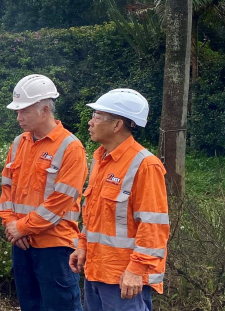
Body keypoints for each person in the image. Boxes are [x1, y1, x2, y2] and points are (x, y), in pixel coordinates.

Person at [70, 89, 169, 311]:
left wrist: (136, 270)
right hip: (96, 271)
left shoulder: (145, 165)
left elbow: (154, 226)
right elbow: (94, 214)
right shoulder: (100, 159)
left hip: (124, 280)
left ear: (117, 125)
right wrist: (83, 245)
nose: (90, 122)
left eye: (96, 116)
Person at [0, 74, 87, 311]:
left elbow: (61, 202)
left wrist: (22, 227)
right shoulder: (19, 143)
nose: (18, 118)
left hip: (55, 248)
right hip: (22, 244)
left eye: (23, 111)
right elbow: (6, 190)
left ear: (44, 110)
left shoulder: (71, 147)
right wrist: (12, 225)